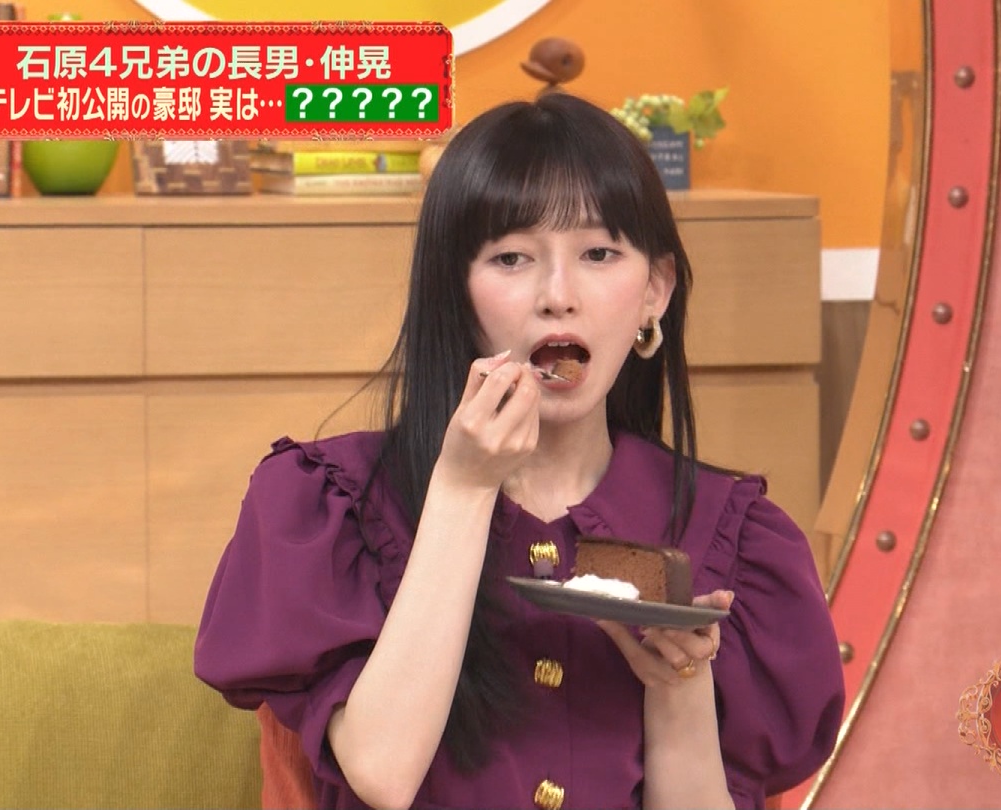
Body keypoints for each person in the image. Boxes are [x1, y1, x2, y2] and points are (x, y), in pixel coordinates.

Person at [194, 92, 845, 810]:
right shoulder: (328, 505)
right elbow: (381, 772)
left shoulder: (731, 534)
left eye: (599, 254)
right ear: (454, 291)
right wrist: (465, 487)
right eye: (511, 258)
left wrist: (677, 686)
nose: (557, 296)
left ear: (654, 292)